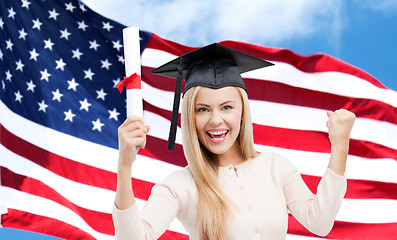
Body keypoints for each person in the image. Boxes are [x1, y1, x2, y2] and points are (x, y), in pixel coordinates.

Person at [112, 43, 356, 240]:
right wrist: (124, 166)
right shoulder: (179, 186)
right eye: (202, 109)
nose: (215, 120)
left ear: (242, 112)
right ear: (189, 117)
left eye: (227, 107)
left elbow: (320, 222)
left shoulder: (275, 167)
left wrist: (340, 145)